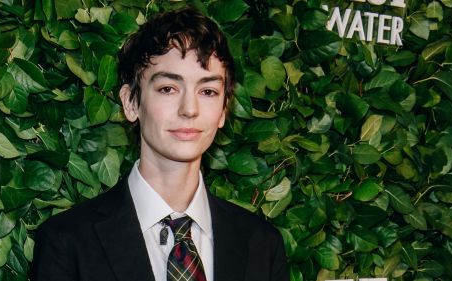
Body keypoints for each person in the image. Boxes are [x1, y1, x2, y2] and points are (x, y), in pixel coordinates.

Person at [30, 8, 289, 281]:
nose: (190, 109)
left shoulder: (261, 244)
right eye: (168, 88)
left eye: (208, 91)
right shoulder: (67, 242)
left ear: (224, 110)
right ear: (131, 102)